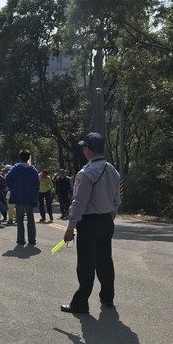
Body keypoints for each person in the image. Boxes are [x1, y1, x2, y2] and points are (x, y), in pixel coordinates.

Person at [61, 132, 121, 314]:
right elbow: (117, 200)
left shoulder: (85, 173)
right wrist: (110, 217)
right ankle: (107, 296)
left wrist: (70, 227)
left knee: (86, 264)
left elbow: (79, 202)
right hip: (106, 220)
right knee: (105, 260)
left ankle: (80, 303)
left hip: (90, 222)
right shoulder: (113, 170)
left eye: (84, 147)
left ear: (88, 149)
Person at [5, 149, 40, 245]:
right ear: (29, 158)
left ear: (20, 157)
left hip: (18, 196)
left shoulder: (15, 168)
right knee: (30, 218)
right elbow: (37, 185)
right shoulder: (33, 170)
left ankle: (21, 239)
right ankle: (32, 239)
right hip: (29, 197)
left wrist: (12, 187)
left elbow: (8, 179)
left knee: (19, 219)